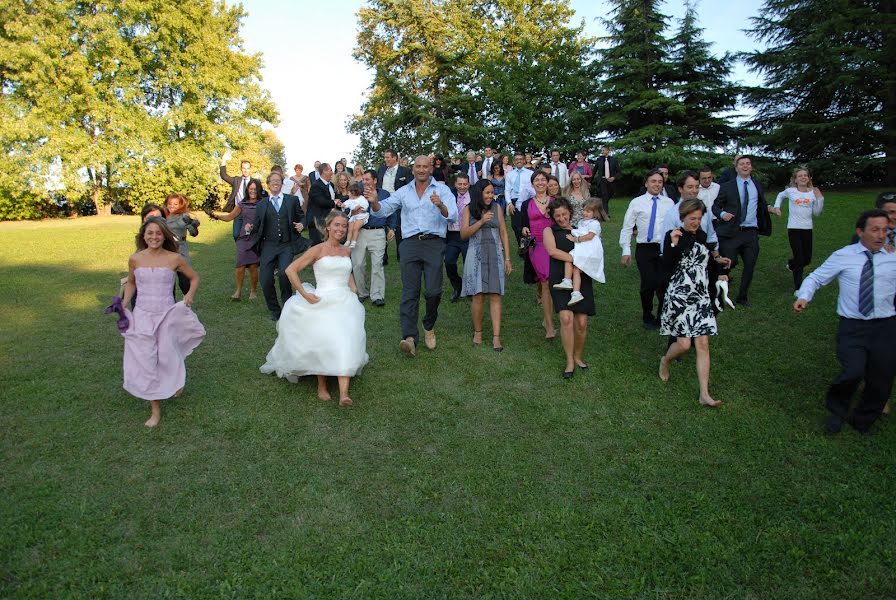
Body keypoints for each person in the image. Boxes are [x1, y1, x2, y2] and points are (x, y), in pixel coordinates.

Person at [794, 209, 896, 434]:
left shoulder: (893, 256)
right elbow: (817, 277)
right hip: (853, 326)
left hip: (886, 326)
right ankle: (837, 410)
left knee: (882, 377)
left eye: (884, 230)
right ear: (860, 232)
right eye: (874, 230)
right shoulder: (845, 255)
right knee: (853, 370)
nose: (881, 235)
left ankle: (863, 419)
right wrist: (804, 296)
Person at [260, 210, 368, 407]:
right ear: (328, 227)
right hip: (322, 299)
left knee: (346, 338)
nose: (341, 229)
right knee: (323, 339)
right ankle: (322, 385)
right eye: (337, 225)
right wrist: (304, 293)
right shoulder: (317, 249)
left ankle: (344, 393)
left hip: (344, 300)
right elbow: (290, 270)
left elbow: (347, 272)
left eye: (344, 226)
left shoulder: (346, 251)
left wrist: (353, 290)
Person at [365, 155, 457, 356]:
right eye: (418, 166)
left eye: (425, 166)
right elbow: (383, 210)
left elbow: (454, 216)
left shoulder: (442, 190)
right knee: (410, 292)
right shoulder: (403, 191)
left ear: (431, 169)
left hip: (434, 243)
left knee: (433, 291)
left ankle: (428, 325)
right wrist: (374, 203)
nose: (422, 169)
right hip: (409, 244)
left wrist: (440, 205)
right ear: (413, 169)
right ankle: (409, 338)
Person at [119, 217, 205, 427]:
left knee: (167, 354)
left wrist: (189, 295)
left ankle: (175, 380)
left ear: (164, 235)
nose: (154, 237)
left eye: (158, 233)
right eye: (150, 233)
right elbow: (131, 283)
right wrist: (124, 303)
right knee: (147, 359)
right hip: (142, 315)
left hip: (166, 314)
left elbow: (194, 278)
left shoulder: (175, 258)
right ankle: (155, 409)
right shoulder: (135, 259)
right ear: (143, 236)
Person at [658, 198, 728, 407]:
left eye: (698, 218)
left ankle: (704, 394)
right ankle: (665, 360)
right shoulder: (675, 236)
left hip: (701, 296)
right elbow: (666, 266)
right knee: (683, 344)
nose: (695, 222)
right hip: (679, 295)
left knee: (703, 344)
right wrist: (672, 244)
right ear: (683, 217)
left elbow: (706, 266)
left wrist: (722, 269)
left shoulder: (703, 237)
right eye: (692, 218)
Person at [543, 197, 595, 378]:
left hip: (581, 278)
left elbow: (592, 249)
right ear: (553, 216)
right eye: (558, 215)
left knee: (581, 322)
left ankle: (578, 356)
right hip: (560, 278)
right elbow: (552, 251)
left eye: (564, 214)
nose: (562, 218)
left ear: (570, 213)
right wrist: (576, 259)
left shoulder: (580, 231)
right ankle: (569, 361)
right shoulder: (549, 230)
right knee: (566, 318)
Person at [711, 155, 772, 307]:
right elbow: (715, 206)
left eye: (748, 164)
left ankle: (742, 297)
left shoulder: (757, 185)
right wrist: (723, 214)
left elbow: (761, 204)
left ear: (751, 167)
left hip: (750, 232)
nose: (745, 166)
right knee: (727, 263)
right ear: (736, 168)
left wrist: (769, 210)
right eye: (742, 164)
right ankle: (718, 292)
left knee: (750, 264)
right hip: (732, 232)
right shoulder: (727, 186)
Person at [460, 179, 513, 350]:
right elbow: (464, 234)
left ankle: (497, 337)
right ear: (479, 193)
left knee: (495, 295)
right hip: (476, 254)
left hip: (495, 254)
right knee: (478, 295)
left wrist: (507, 258)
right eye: (488, 193)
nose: (491, 196)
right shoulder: (469, 209)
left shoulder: (497, 208)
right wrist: (481, 221)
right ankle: (478, 331)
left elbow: (504, 232)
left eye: (492, 192)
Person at [620, 169, 675, 329]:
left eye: (659, 181)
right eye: (653, 181)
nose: (657, 184)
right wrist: (626, 250)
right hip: (645, 248)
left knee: (664, 283)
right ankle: (647, 314)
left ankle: (661, 317)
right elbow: (627, 227)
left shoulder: (669, 203)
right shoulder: (637, 202)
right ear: (646, 183)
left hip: (665, 247)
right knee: (649, 282)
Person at [249, 171, 306, 320]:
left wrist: (301, 224)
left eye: (278, 180)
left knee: (284, 274)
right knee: (265, 279)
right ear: (268, 184)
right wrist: (249, 228)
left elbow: (302, 217)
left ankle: (287, 307)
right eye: (272, 180)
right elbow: (257, 225)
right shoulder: (261, 204)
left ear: (282, 183)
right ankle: (275, 310)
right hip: (268, 245)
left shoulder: (291, 200)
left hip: (286, 245)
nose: (275, 182)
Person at [770, 166, 825, 290]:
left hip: (807, 229)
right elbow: (780, 195)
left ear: (809, 178)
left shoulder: (813, 192)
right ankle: (798, 289)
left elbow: (816, 212)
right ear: (795, 179)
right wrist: (777, 207)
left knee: (807, 259)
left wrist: (820, 198)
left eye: (805, 175)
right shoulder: (791, 191)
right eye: (800, 176)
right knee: (800, 259)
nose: (803, 177)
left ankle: (791, 264)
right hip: (794, 229)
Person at [208, 178, 263, 301]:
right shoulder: (242, 204)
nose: (252, 191)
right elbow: (229, 217)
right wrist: (216, 216)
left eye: (255, 189)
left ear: (258, 190)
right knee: (240, 265)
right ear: (247, 190)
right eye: (250, 189)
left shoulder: (263, 203)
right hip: (244, 238)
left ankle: (253, 291)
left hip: (256, 238)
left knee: (253, 266)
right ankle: (238, 291)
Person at [520, 171, 557, 339]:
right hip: (537, 245)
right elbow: (521, 224)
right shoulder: (527, 203)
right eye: (537, 180)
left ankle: (551, 316)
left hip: (556, 244)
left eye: (543, 179)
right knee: (546, 281)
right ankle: (549, 325)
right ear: (532, 183)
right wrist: (523, 228)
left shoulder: (556, 202)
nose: (540, 182)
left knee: (556, 281)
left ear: (548, 182)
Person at [352, 170, 396, 306]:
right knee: (358, 264)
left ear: (375, 180)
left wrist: (392, 228)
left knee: (377, 265)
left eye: (367, 179)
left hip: (378, 232)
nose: (364, 182)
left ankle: (377, 295)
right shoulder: (357, 194)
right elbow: (347, 210)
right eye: (363, 179)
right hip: (359, 232)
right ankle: (362, 292)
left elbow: (391, 212)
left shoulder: (384, 194)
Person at [553, 198, 606, 306]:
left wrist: (575, 239)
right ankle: (568, 281)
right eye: (584, 210)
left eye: (588, 211)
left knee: (576, 267)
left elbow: (590, 236)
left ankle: (576, 292)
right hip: (583, 248)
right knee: (569, 258)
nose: (584, 213)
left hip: (590, 250)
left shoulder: (594, 224)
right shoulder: (583, 222)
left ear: (595, 213)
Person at [164, 193, 200, 297]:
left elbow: (194, 233)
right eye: (170, 204)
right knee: (168, 281)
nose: (172, 206)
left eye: (175, 204)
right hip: (166, 250)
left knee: (184, 280)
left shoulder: (184, 216)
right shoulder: (163, 216)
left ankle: (187, 302)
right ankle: (170, 304)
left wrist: (193, 226)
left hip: (180, 249)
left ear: (180, 205)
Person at [445, 172, 472, 302]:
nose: (462, 187)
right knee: (449, 262)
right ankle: (457, 286)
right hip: (452, 235)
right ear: (455, 184)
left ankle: (471, 289)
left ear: (469, 184)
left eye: (465, 184)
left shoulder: (474, 196)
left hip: (468, 235)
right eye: (459, 184)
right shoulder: (449, 194)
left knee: (470, 263)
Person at [505, 151, 535, 243]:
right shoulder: (510, 174)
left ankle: (529, 244)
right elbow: (507, 190)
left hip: (526, 201)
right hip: (514, 201)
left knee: (527, 223)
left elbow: (533, 189)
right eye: (517, 159)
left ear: (524, 160)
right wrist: (509, 203)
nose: (519, 161)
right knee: (516, 225)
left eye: (521, 159)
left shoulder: (530, 173)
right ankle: (521, 245)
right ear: (514, 161)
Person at [307, 163, 337, 245]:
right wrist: (334, 202)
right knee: (318, 247)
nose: (332, 172)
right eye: (330, 170)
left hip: (328, 220)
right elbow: (321, 202)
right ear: (324, 171)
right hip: (317, 222)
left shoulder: (331, 185)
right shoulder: (316, 185)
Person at [339, 181, 369, 249]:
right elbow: (345, 204)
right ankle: (348, 241)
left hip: (361, 216)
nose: (348, 194)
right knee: (350, 229)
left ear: (353, 192)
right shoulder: (350, 200)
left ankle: (354, 241)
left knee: (356, 228)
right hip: (353, 216)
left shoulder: (361, 198)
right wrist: (341, 205)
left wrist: (359, 207)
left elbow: (365, 205)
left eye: (349, 192)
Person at [595, 145, 620, 216]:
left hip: (611, 181)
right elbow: (594, 171)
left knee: (608, 196)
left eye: (604, 150)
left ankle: (601, 210)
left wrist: (614, 177)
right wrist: (590, 181)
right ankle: (605, 214)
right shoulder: (599, 160)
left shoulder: (613, 160)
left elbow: (618, 171)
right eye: (601, 150)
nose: (602, 152)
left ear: (607, 151)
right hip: (602, 180)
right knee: (604, 196)